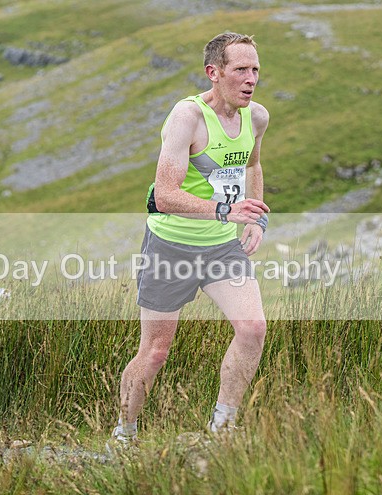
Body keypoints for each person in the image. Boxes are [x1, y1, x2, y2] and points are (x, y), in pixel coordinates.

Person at [112, 32, 270, 443]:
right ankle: (123, 436)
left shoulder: (257, 117)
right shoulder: (189, 117)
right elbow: (164, 196)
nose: (250, 79)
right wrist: (224, 210)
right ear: (213, 73)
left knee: (252, 328)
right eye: (240, 70)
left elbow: (253, 164)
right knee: (156, 352)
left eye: (255, 70)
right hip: (171, 246)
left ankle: (222, 431)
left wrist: (255, 219)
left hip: (221, 246)